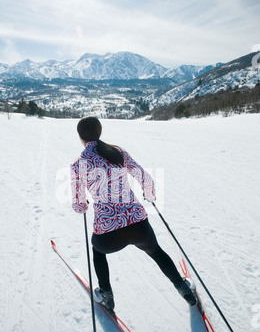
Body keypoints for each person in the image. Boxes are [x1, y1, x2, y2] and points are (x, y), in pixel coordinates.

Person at [71, 117, 196, 314]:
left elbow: (78, 204)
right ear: (99, 132)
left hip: (108, 236)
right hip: (138, 226)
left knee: (97, 250)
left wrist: (83, 206)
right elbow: (144, 177)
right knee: (157, 253)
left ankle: (106, 295)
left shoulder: (78, 165)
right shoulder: (117, 152)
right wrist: (150, 194)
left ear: (80, 138)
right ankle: (184, 289)